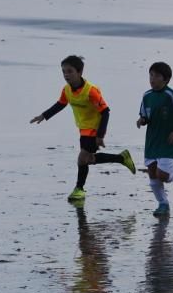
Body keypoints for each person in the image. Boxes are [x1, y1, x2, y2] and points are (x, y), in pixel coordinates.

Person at [30, 55, 136, 202]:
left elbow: (105, 112)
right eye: (63, 72)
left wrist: (100, 135)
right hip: (83, 128)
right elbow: (61, 104)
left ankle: (79, 189)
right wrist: (44, 115)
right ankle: (122, 158)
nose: (66, 75)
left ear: (79, 72)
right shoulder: (66, 90)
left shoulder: (90, 91)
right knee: (89, 159)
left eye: (70, 71)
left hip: (94, 127)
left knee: (82, 159)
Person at [137, 62, 173, 217]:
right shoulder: (147, 96)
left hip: (169, 143)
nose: (152, 79)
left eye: (157, 76)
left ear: (166, 79)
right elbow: (146, 115)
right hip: (152, 142)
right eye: (151, 75)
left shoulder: (172, 95)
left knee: (163, 176)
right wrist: (142, 120)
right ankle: (163, 204)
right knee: (152, 174)